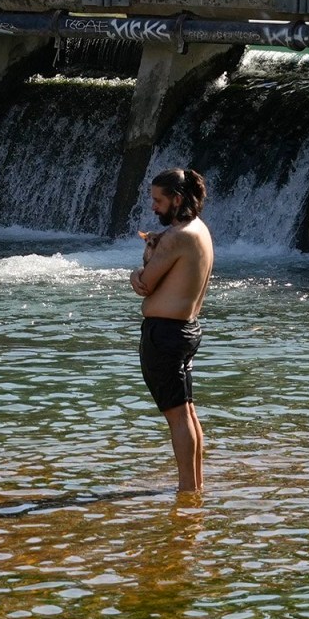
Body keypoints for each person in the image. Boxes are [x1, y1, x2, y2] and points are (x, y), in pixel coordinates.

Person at [132, 168, 213, 493]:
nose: (153, 207)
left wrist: (140, 265)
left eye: (158, 201)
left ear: (177, 199)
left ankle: (187, 491)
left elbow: (145, 284)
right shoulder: (199, 230)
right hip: (186, 330)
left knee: (178, 416)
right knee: (187, 412)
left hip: (165, 335)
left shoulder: (177, 237)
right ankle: (195, 485)